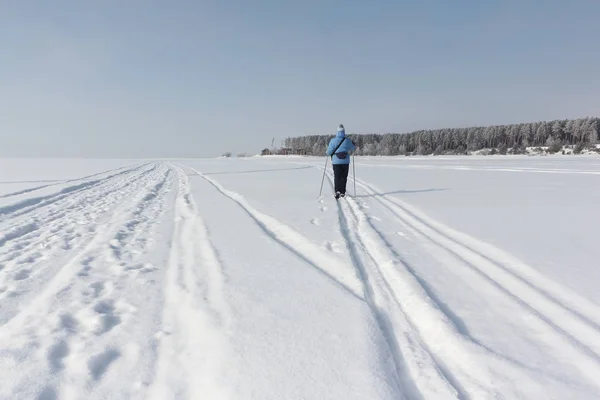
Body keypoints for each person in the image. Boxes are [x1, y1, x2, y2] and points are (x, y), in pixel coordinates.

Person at [326, 124, 356, 199]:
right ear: (344, 131)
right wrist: (353, 144)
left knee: (337, 176)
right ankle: (342, 192)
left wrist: (328, 152)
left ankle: (337, 191)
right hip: (345, 162)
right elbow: (353, 148)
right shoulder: (347, 140)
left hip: (336, 162)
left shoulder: (333, 141)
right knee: (344, 177)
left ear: (337, 131)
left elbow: (329, 152)